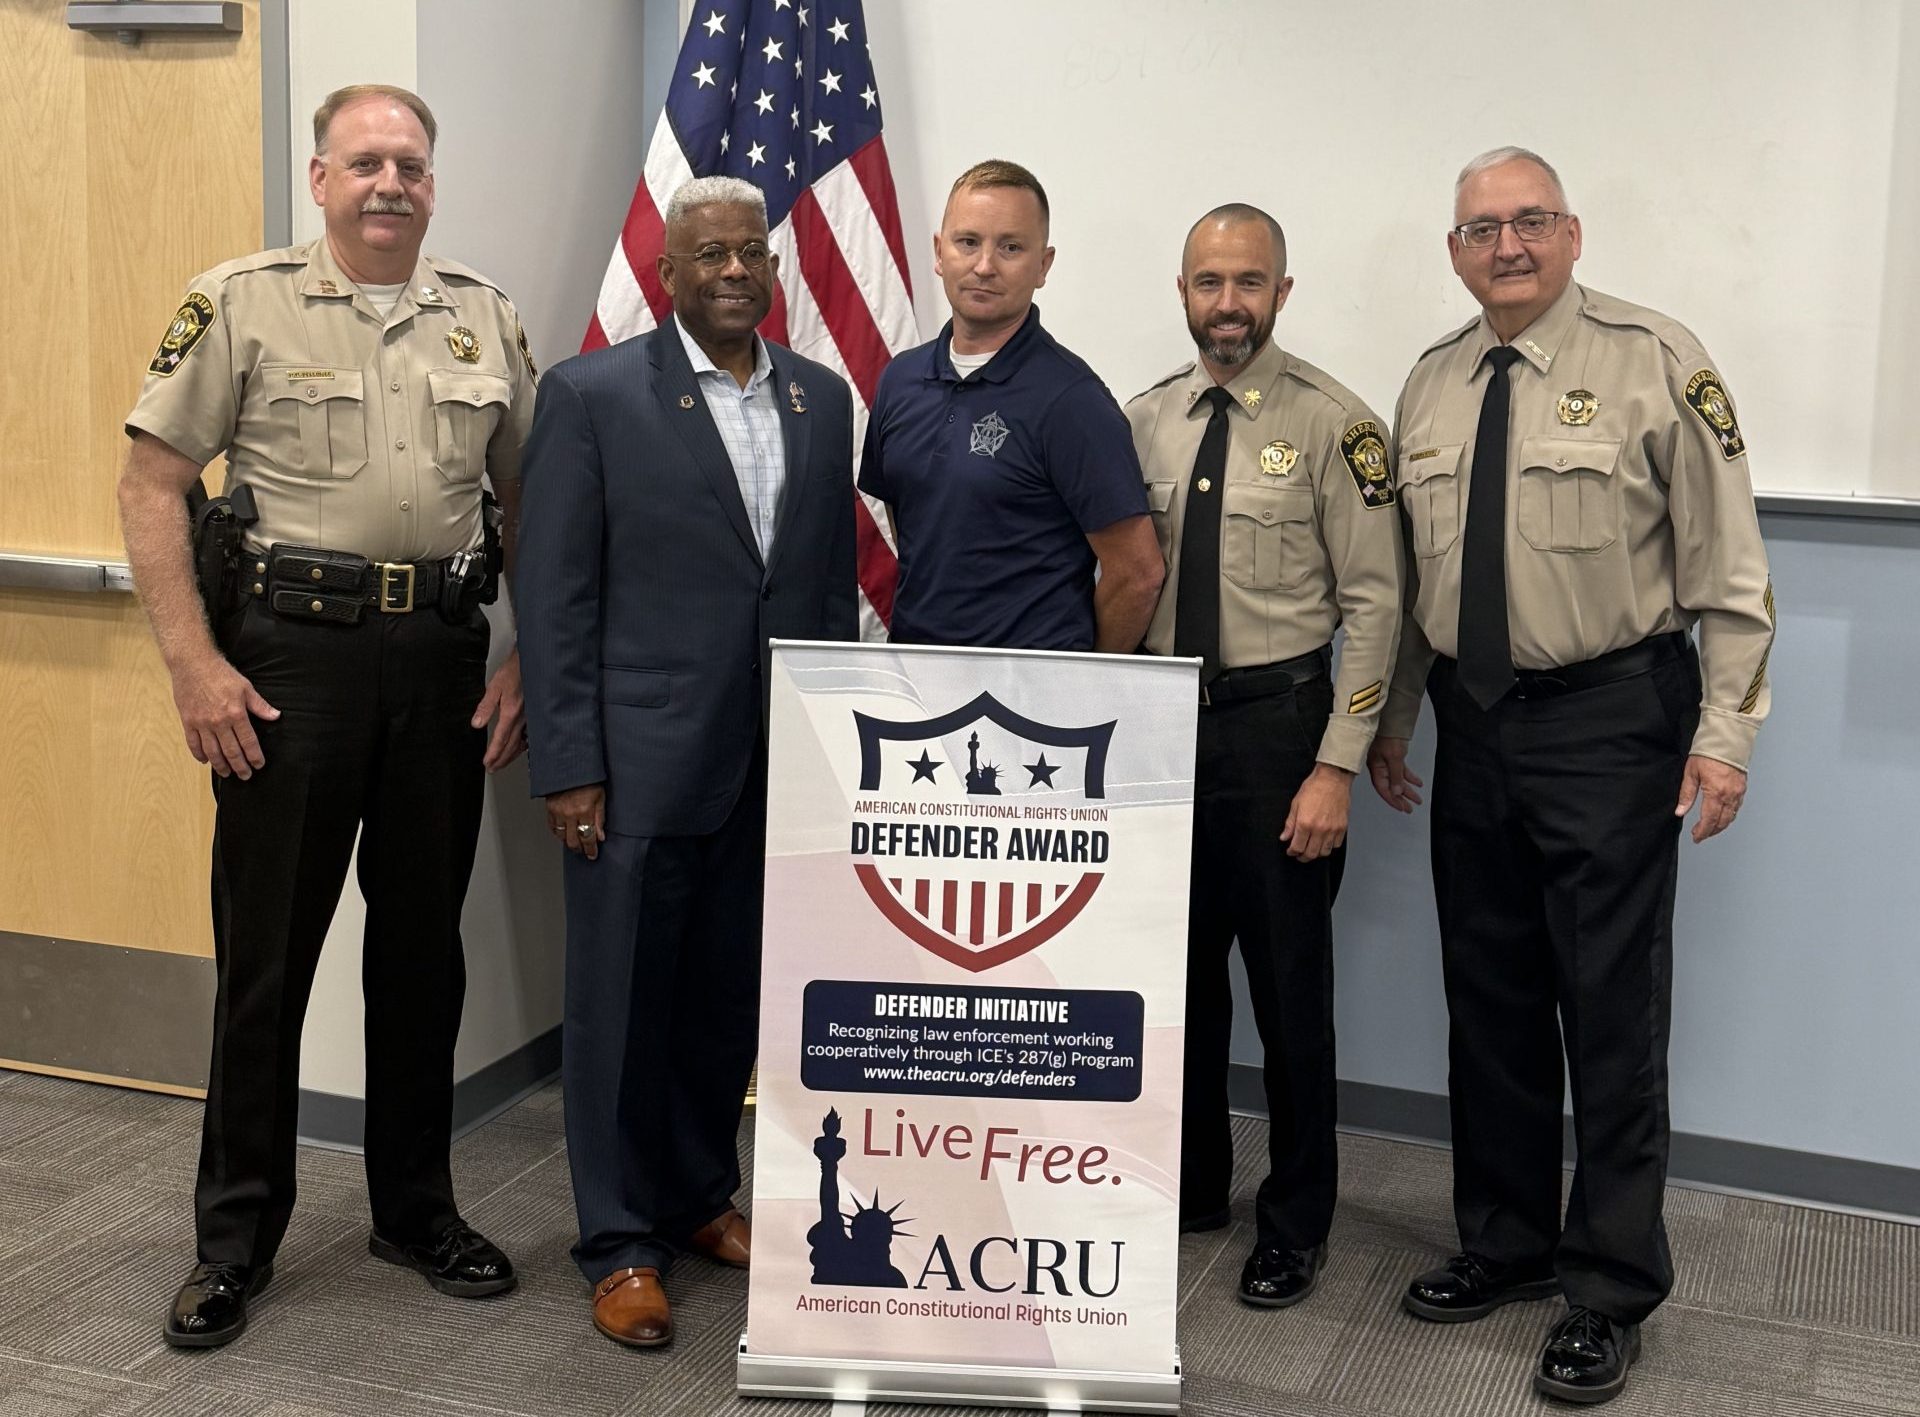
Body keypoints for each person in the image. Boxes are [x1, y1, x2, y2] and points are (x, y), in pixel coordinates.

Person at [119, 84, 533, 1348]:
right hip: (287, 664)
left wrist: (527, 661)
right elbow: (151, 483)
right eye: (364, 163)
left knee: (421, 955)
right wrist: (192, 665)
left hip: (442, 659)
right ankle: (232, 1240)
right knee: (268, 960)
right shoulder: (240, 302)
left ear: (432, 181)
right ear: (320, 179)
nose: (389, 183)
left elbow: (536, 503)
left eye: (409, 163)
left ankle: (415, 1210)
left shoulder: (484, 316)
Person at [1367, 146, 1775, 1405]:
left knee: (1608, 1010)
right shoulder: (1432, 381)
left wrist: (1724, 735)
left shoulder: (1656, 360)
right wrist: (1393, 720)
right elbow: (1415, 584)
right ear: (1453, 252)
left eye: (1530, 220)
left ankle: (1608, 1286)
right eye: (1481, 228)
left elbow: (1731, 570)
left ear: (1573, 233)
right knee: (1487, 998)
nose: (1507, 245)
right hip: (1474, 722)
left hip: (1612, 721)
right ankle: (1506, 1242)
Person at [514, 175, 858, 1349]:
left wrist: (824, 753)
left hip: (769, 761)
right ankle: (619, 1242)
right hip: (635, 767)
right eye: (709, 253)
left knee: (723, 999)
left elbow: (820, 590)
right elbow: (556, 596)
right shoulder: (593, 395)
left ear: (775, 268)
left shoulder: (821, 399)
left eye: (751, 251)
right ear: (668, 275)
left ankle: (701, 1195)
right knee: (620, 1008)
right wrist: (570, 762)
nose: (733, 270)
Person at [1127, 205, 1402, 1309]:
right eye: (1209, 282)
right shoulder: (1142, 418)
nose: (1228, 303)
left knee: (1289, 994)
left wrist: (1337, 766)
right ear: (1182, 291)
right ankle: (1193, 1186)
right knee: (1176, 981)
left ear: (1282, 292)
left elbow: (1376, 607)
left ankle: (1295, 1221)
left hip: (1280, 732)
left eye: (1249, 282)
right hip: (1159, 730)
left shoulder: (1337, 425)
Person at [858, 159, 1162, 651]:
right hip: (916, 674)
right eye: (968, 242)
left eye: (1011, 247)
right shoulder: (900, 381)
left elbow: (1139, 574)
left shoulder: (1073, 401)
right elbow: (910, 523)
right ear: (939, 253)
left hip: (1029, 688)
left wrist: (1085, 681)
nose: (984, 266)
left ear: (1043, 265)